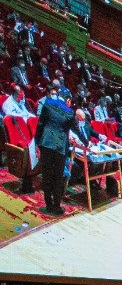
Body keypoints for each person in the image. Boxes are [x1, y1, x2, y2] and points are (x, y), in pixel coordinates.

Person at [34, 81, 72, 213]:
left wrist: (37, 142)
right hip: (58, 146)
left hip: (49, 144)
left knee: (49, 176)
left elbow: (40, 125)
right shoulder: (66, 110)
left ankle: (50, 205)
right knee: (55, 177)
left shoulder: (51, 105)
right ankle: (55, 205)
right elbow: (75, 129)